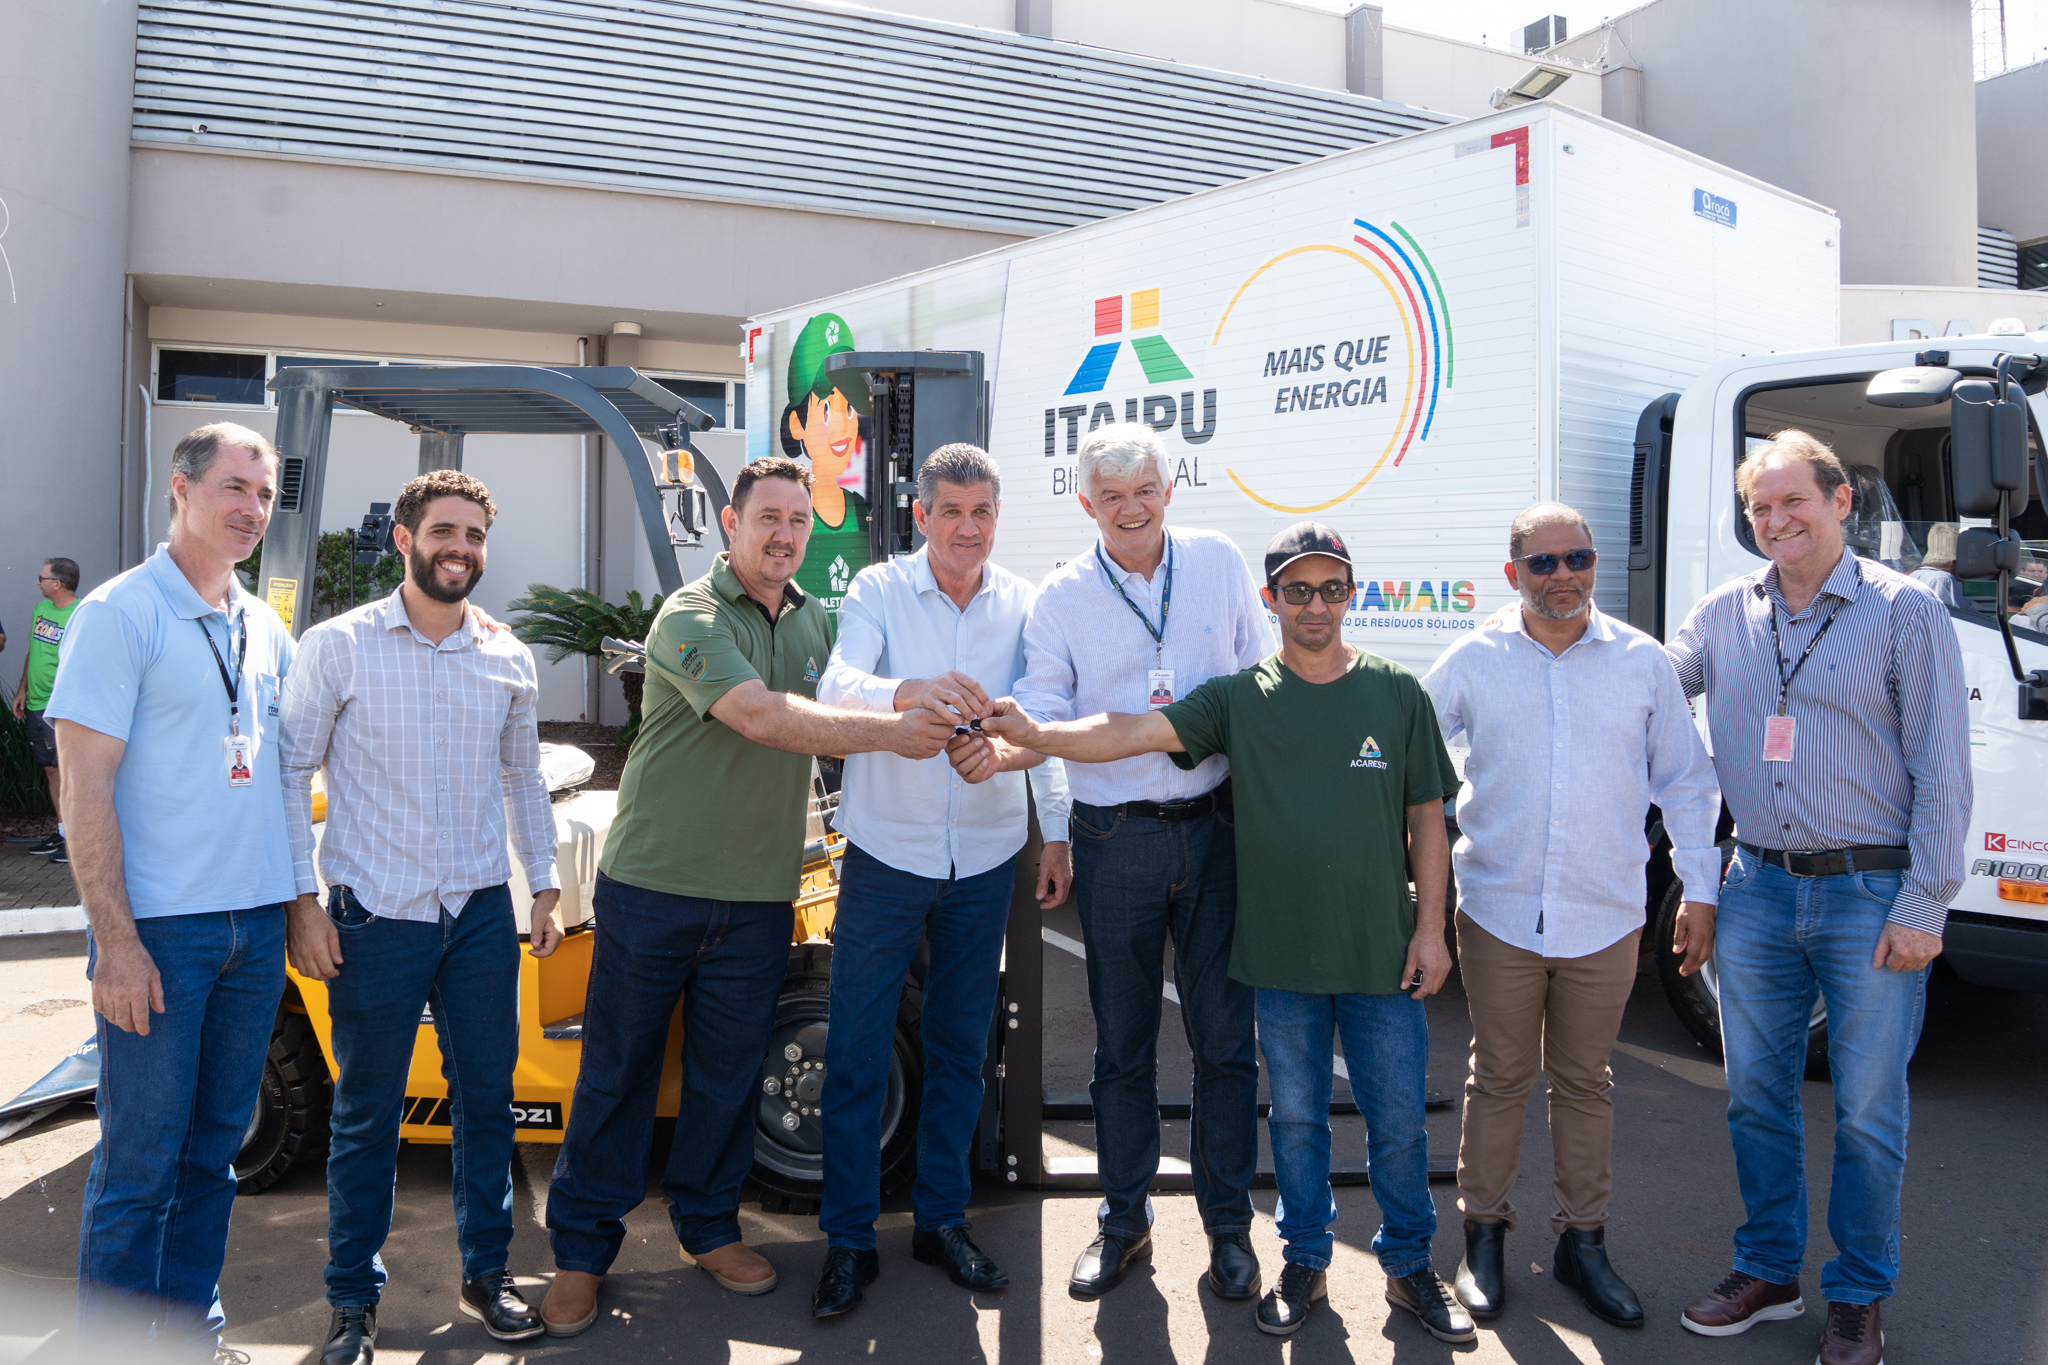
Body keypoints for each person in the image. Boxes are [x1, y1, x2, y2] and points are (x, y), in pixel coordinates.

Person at [988, 521, 1474, 1343]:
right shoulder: (1242, 697)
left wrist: (1432, 930)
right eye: (1296, 589)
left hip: (1381, 955)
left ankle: (1409, 1266)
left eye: (1330, 588)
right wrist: (1034, 736)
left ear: (1352, 593)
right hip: (1281, 957)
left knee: (1397, 1121)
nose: (1314, 604)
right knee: (1294, 1122)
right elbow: (1129, 731)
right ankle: (1305, 1262)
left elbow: (1429, 817)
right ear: (1270, 599)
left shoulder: (1396, 692)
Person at [541, 456, 957, 1337]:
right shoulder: (690, 617)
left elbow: (854, 690)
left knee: (726, 1078)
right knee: (616, 1073)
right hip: (654, 887)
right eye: (767, 517)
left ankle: (707, 1227)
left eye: (798, 521)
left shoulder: (812, 624)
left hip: (757, 895)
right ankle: (581, 1252)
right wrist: (901, 733)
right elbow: (764, 717)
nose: (784, 535)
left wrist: (927, 696)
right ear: (731, 525)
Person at [1668, 431, 1969, 1365]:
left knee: (1870, 1109)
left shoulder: (1904, 613)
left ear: (1843, 502)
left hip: (1870, 890)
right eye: (1760, 506)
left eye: (1793, 500)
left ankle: (1857, 1295)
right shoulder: (1724, 614)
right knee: (1755, 1097)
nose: (1775, 520)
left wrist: (1926, 902)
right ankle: (1766, 1270)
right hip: (1754, 883)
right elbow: (1636, 687)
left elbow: (1942, 766)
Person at [279, 470, 564, 1365]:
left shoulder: (507, 654)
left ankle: (488, 1275)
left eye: (475, 535)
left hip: (480, 910)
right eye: (445, 530)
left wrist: (545, 883)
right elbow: (290, 773)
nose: (461, 548)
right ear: (404, 539)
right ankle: (353, 1304)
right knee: (367, 1113)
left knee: (490, 1102)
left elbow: (523, 775)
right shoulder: (340, 647)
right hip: (376, 915)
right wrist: (301, 903)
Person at [1421, 503, 1722, 1331]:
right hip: (1500, 909)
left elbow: (1688, 784)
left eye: (1577, 558)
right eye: (1543, 562)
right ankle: (1482, 1234)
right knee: (1500, 1076)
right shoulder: (1475, 657)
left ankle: (1581, 1242)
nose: (1563, 576)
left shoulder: (1641, 662)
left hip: (1608, 911)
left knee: (1586, 1082)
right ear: (1513, 570)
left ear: (1595, 564)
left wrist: (1700, 889)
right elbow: (1412, 748)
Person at [45, 423, 297, 1362]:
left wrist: (297, 904)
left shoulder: (264, 625)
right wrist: (115, 941)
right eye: (234, 487)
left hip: (252, 929)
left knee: (212, 1156)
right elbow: (83, 787)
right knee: (140, 1162)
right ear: (180, 492)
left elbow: (276, 775)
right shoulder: (119, 613)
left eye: (264, 494)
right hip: (160, 933)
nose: (251, 509)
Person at [1009, 423, 1272, 1305]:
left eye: (1145, 489)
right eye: (1111, 495)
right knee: (1121, 1047)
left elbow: (1256, 682)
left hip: (1217, 832)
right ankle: (1124, 1224)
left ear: (1171, 489)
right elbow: (1041, 718)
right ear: (1085, 502)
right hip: (1112, 836)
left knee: (1226, 1044)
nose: (1131, 508)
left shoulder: (1220, 562)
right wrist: (1052, 831)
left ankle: (1228, 1230)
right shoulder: (1062, 597)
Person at [808, 443, 1072, 1317]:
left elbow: (1045, 720)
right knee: (855, 1046)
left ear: (998, 516)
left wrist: (1033, 797)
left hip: (987, 855)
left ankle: (941, 1221)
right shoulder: (879, 591)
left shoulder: (1026, 603)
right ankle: (848, 1240)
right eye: (951, 512)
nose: (968, 528)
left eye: (983, 512)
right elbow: (837, 681)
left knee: (963, 1046)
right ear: (922, 515)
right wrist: (906, 691)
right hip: (888, 851)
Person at [780, 312, 873, 614]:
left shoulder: (863, 512)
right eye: (827, 409)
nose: (843, 426)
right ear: (797, 424)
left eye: (848, 409)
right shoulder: (791, 514)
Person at [15, 557, 80, 864]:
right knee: (51, 769)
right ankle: (63, 830)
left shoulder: (80, 615)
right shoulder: (41, 610)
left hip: (61, 707)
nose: (37, 582)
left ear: (57, 583)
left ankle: (77, 840)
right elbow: (34, 649)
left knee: (69, 771)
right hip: (36, 703)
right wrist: (22, 688)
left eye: (41, 578)